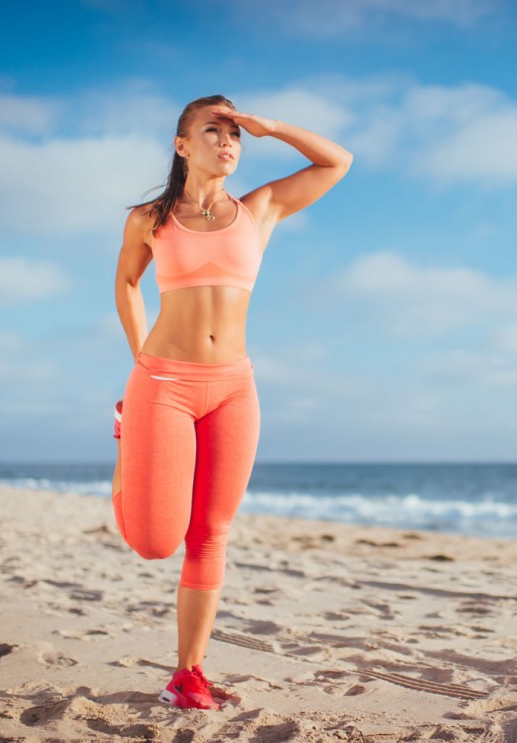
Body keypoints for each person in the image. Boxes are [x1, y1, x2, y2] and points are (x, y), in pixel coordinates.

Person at [110, 94, 351, 710]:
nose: (228, 142)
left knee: (211, 534)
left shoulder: (260, 209)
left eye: (235, 135)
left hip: (234, 387)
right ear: (182, 144)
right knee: (155, 543)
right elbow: (128, 285)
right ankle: (126, 442)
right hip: (163, 384)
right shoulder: (149, 218)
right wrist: (141, 358)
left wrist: (270, 126)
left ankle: (188, 672)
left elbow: (337, 162)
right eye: (213, 131)